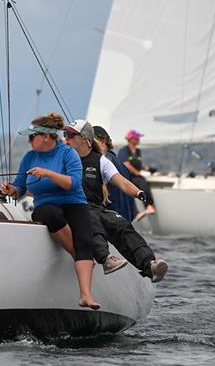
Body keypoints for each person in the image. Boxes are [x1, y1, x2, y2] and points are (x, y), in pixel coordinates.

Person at [0, 112, 126, 309]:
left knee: (85, 240)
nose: (29, 141)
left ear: (45, 137)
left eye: (31, 137)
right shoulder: (29, 157)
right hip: (46, 206)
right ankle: (81, 258)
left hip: (74, 201)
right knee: (51, 214)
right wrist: (12, 190)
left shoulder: (68, 153)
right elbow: (20, 187)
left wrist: (47, 173)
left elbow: (73, 183)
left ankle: (86, 295)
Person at [64, 120, 168, 283]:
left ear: (85, 138)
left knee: (121, 224)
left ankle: (150, 265)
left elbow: (122, 182)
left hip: (96, 208)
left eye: (70, 135)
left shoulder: (101, 161)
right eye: (65, 135)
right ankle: (106, 259)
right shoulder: (62, 159)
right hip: (72, 208)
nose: (65, 139)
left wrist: (139, 193)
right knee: (90, 219)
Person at [92, 125, 136, 221]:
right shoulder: (121, 165)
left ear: (103, 141)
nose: (88, 145)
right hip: (125, 221)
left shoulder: (102, 162)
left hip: (112, 221)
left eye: (91, 141)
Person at [118, 129, 156, 220]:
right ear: (131, 139)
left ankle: (149, 206)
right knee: (133, 188)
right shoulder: (124, 150)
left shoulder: (138, 151)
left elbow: (138, 163)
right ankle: (136, 212)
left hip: (136, 176)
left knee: (144, 185)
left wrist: (147, 169)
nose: (139, 139)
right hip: (127, 176)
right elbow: (126, 164)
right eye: (137, 138)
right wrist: (137, 173)